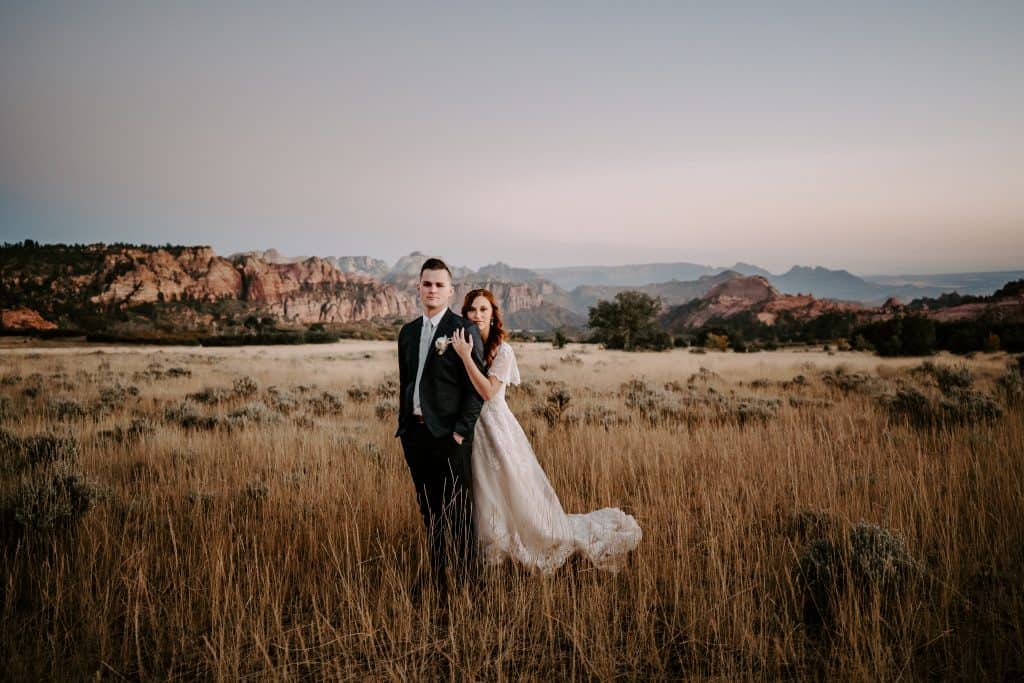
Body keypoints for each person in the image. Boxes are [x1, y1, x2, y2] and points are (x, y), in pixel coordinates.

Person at [451, 288, 642, 574]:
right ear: (465, 314)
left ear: (493, 316)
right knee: (482, 491)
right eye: (472, 310)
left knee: (510, 486)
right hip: (469, 428)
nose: (477, 315)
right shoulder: (462, 343)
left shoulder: (503, 350)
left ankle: (526, 541)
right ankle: (491, 549)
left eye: (483, 310)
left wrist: (466, 358)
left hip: (496, 427)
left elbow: (490, 392)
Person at [395, 258, 486, 588]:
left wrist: (461, 432)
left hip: (450, 437)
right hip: (415, 435)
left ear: (450, 291)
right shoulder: (407, 333)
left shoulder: (463, 330)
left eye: (439, 285)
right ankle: (436, 578)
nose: (432, 290)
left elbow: (476, 390)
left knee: (460, 516)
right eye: (427, 284)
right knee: (429, 512)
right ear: (418, 288)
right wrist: (405, 426)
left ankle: (468, 585)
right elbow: (407, 382)